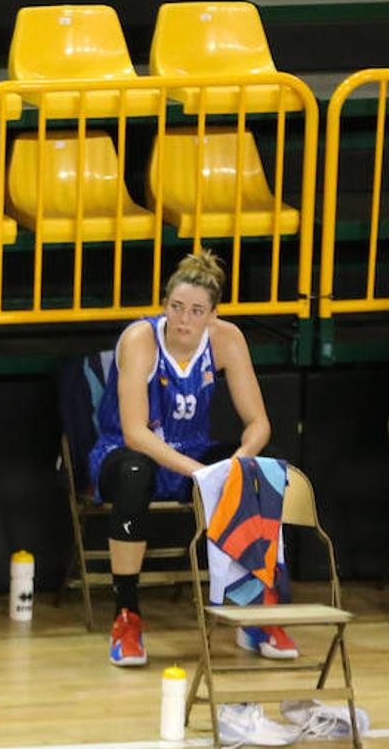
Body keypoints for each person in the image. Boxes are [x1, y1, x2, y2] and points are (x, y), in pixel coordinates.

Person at [88, 250, 297, 667]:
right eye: (176, 307)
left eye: (196, 311)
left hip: (191, 450)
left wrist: (237, 464)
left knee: (263, 466)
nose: (184, 320)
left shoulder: (227, 339)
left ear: (213, 315)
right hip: (126, 451)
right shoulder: (140, 339)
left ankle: (255, 614)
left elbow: (259, 424)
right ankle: (126, 616)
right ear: (164, 305)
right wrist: (204, 474)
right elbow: (134, 431)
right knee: (133, 474)